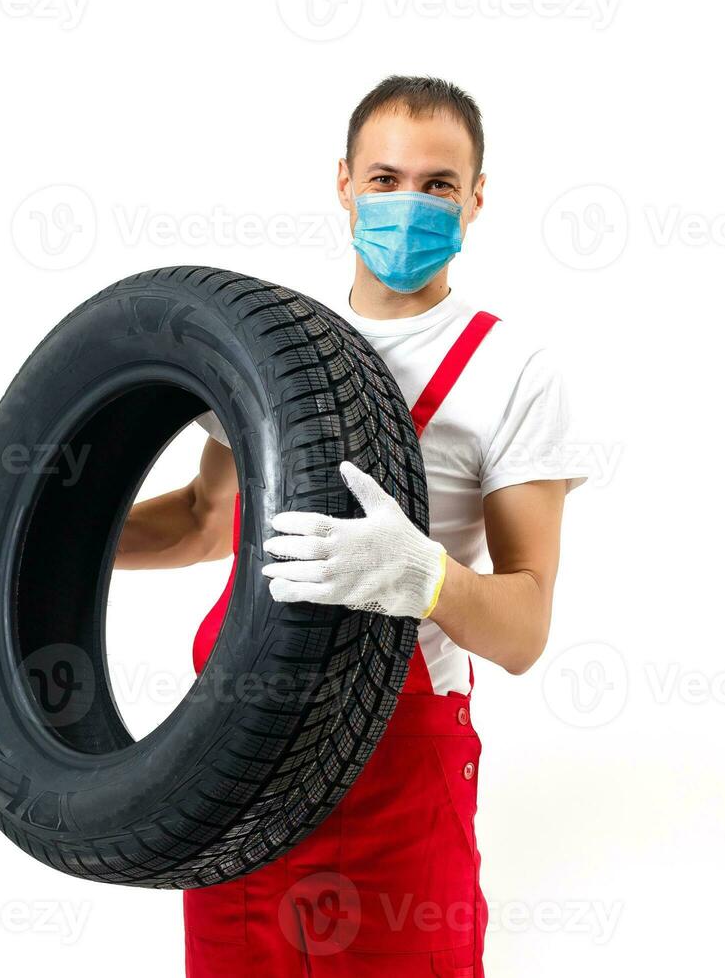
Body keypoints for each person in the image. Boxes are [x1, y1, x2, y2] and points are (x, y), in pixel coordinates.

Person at [115, 76, 588, 977]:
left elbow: (525, 630)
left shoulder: (512, 370)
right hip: (238, 762)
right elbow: (201, 520)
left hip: (395, 761)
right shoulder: (264, 344)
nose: (408, 202)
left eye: (438, 184)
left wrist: (429, 580)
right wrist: (25, 550)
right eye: (385, 177)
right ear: (343, 184)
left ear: (477, 198)